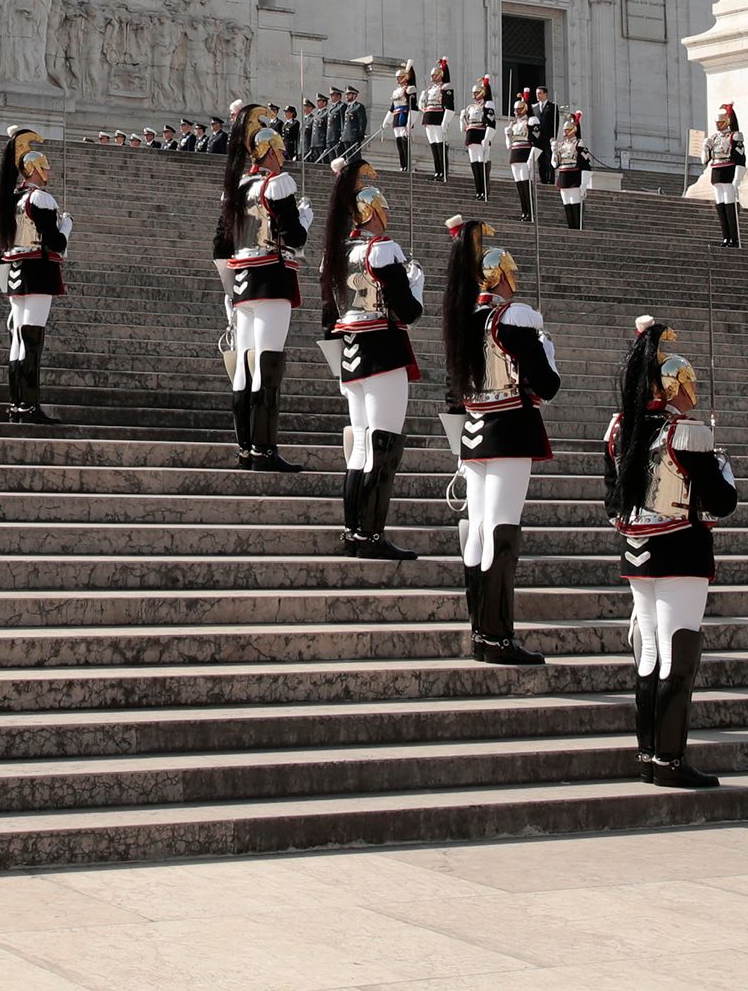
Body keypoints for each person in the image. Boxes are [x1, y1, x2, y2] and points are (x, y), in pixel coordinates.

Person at [606, 316, 740, 787]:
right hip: (681, 549)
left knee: (648, 656)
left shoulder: (622, 428)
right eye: (688, 383)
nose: (692, 391)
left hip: (638, 551)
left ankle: (649, 755)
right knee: (677, 653)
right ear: (673, 386)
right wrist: (721, 464)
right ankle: (671, 760)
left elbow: (612, 496)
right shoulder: (688, 434)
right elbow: (721, 502)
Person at [443, 217, 558, 664]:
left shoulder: (465, 318)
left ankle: (481, 632)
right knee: (501, 532)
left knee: (478, 532)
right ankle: (498, 636)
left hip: (474, 432)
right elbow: (546, 385)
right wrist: (544, 349)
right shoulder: (515, 319)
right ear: (504, 277)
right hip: (509, 429)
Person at [319, 158, 421, 560]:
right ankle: (373, 534)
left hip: (353, 352)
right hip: (382, 350)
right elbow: (407, 311)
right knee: (383, 445)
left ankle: (354, 530)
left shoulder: (342, 252)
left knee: (361, 446)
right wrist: (416, 284)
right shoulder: (383, 251)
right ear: (374, 212)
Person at [218, 104, 311, 471]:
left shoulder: (240, 186)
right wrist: (303, 216)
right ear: (270, 151)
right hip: (271, 277)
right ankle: (265, 450)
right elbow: (293, 235)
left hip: (242, 281)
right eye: (281, 150)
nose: (284, 156)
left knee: (245, 365)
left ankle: (245, 448)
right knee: (267, 366)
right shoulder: (278, 184)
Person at [0, 127, 70, 422]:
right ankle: (29, 404)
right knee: (32, 338)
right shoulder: (41, 199)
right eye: (45, 166)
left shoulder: (13, 199)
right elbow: (57, 242)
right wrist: (67, 225)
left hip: (16, 270)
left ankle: (17, 403)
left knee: (18, 338)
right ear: (35, 168)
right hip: (39, 270)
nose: (48, 171)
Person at [699, 104, 746, 246]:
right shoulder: (713, 138)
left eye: (720, 122)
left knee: (729, 204)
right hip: (716, 172)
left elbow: (741, 159)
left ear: (727, 122)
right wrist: (705, 148)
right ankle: (725, 236)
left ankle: (734, 237)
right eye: (716, 123)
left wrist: (737, 179)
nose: (718, 125)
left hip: (729, 172)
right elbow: (704, 161)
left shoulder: (734, 136)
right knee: (720, 205)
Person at [551, 110, 590, 230]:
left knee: (575, 204)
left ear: (573, 130)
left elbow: (585, 164)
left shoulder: (579, 144)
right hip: (563, 177)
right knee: (567, 205)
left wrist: (584, 183)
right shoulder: (561, 144)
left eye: (567, 130)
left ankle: (577, 228)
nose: (565, 132)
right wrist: (554, 151)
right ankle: (571, 228)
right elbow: (554, 164)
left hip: (574, 177)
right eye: (564, 130)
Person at [419, 60, 455, 179]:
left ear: (441, 75)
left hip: (439, 117)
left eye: (434, 75)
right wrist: (421, 98)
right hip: (429, 117)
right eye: (431, 75)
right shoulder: (429, 89)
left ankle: (443, 172)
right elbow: (422, 106)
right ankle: (437, 171)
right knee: (433, 145)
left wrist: (445, 121)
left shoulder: (446, 87)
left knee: (441, 145)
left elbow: (449, 106)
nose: (432, 77)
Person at [462, 75, 497, 199]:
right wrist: (462, 119)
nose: (474, 96)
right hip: (471, 136)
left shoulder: (487, 106)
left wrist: (487, 138)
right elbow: (464, 127)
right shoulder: (470, 108)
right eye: (473, 93)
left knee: (482, 164)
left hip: (481, 136)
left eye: (476, 93)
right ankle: (478, 191)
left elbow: (491, 122)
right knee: (474, 165)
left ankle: (484, 190)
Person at [505, 89, 537, 220]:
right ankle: (524, 211)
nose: (516, 112)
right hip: (515, 154)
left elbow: (535, 140)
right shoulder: (513, 124)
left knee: (526, 184)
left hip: (525, 153)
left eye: (519, 109)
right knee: (519, 185)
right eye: (515, 109)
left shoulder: (530, 121)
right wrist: (507, 134)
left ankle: (530, 212)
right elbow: (509, 145)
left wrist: (531, 157)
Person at [389, 66, 418, 173]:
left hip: (404, 115)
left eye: (400, 77)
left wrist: (410, 122)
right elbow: (392, 107)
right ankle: (402, 165)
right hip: (396, 116)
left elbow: (414, 106)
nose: (398, 79)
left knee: (404, 141)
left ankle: (408, 164)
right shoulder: (396, 91)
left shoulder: (410, 89)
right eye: (397, 77)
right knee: (399, 142)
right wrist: (387, 121)